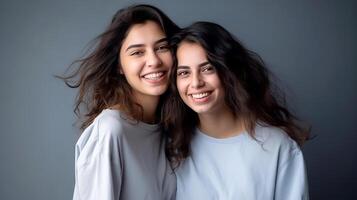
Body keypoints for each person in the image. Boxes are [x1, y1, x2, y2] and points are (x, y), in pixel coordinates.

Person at [163, 22, 310, 200]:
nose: (196, 83)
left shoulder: (277, 145)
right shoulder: (172, 147)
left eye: (208, 68)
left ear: (229, 71)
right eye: (184, 73)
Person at [59, 4, 179, 200]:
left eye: (162, 47)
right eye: (137, 52)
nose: (154, 61)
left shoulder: (170, 128)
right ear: (119, 66)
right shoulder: (111, 130)